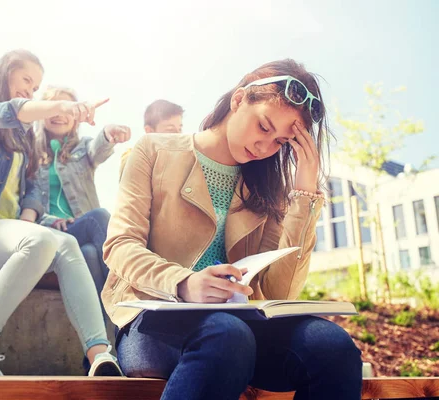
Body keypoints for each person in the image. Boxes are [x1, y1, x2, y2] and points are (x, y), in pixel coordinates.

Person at [102, 59, 362, 399]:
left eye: (281, 142)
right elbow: (120, 245)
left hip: (241, 329)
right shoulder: (153, 151)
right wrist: (184, 283)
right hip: (150, 323)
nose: (265, 147)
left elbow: (279, 289)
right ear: (238, 100)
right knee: (226, 334)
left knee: (332, 345)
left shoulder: (269, 190)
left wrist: (304, 194)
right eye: (264, 127)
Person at [0, 49, 122, 377]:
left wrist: (28, 218)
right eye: (27, 80)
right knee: (42, 240)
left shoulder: (22, 138)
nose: (30, 90)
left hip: (8, 233)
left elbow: (32, 189)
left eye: (36, 87)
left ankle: (100, 354)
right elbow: (5, 112)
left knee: (64, 244)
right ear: (6, 71)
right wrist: (59, 106)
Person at [33, 85, 131, 297]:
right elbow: (24, 201)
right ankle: (130, 294)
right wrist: (50, 221)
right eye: (54, 108)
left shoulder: (82, 148)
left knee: (88, 254)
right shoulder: (29, 154)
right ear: (41, 114)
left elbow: (97, 149)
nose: (60, 115)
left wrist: (107, 133)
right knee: (99, 216)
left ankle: (113, 327)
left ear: (76, 117)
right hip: (51, 233)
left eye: (67, 110)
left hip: (82, 235)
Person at [119, 99, 183, 178]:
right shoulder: (132, 159)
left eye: (180, 129)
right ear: (149, 131)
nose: (179, 135)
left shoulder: (183, 159)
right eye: (170, 130)